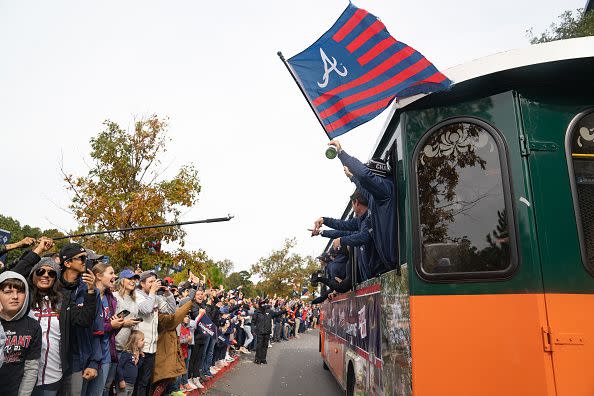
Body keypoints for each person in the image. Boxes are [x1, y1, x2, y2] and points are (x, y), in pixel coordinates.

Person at [329, 139, 398, 275]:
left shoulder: (385, 190)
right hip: (390, 265)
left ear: (376, 178)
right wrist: (351, 177)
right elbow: (362, 184)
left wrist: (341, 153)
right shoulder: (376, 196)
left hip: (392, 263)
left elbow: (365, 176)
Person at [312, 190, 375, 282]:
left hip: (375, 272)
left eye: (352, 205)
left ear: (356, 202)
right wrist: (324, 220)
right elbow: (342, 225)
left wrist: (341, 240)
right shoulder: (360, 220)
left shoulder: (369, 219)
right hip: (369, 274)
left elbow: (363, 237)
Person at [0, 271, 42, 396]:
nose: (15, 297)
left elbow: (31, 367)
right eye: (8, 292)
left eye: (20, 291)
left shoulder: (33, 326)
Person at [84, 263, 123, 396]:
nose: (115, 276)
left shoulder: (111, 298)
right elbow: (90, 325)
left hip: (106, 353)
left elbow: (109, 326)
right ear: (99, 276)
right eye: (111, 273)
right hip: (88, 353)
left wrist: (118, 323)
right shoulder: (86, 295)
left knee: (98, 393)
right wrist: (110, 325)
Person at [28, 258, 63, 396]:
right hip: (24, 374)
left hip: (52, 374)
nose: (46, 275)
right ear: (32, 274)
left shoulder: (62, 302)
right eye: (40, 271)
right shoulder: (22, 298)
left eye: (52, 273)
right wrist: (36, 252)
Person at [151, 297, 193, 396]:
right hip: (162, 353)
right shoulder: (160, 316)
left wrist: (169, 294)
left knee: (167, 379)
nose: (167, 306)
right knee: (161, 380)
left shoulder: (165, 314)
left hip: (169, 351)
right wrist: (191, 301)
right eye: (164, 304)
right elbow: (173, 319)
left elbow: (173, 310)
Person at [134, 271, 161, 396]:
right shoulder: (136, 295)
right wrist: (152, 293)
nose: (153, 284)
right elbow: (146, 309)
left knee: (146, 382)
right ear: (142, 283)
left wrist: (168, 293)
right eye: (150, 282)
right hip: (140, 347)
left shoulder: (154, 296)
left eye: (154, 281)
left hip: (152, 347)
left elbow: (171, 309)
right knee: (137, 382)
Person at [251, 300, 282, 365]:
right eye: (262, 304)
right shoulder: (257, 312)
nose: (264, 305)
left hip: (267, 332)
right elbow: (253, 322)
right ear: (260, 305)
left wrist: (285, 311)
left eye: (265, 303)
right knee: (259, 346)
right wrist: (252, 330)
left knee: (265, 346)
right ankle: (257, 359)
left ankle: (263, 359)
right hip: (259, 332)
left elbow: (277, 314)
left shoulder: (269, 311)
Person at [116, 330, 144, 396]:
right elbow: (119, 367)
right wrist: (121, 380)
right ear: (135, 341)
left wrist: (142, 358)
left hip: (132, 384)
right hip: (124, 383)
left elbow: (137, 366)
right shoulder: (127, 353)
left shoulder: (136, 354)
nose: (144, 342)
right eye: (142, 340)